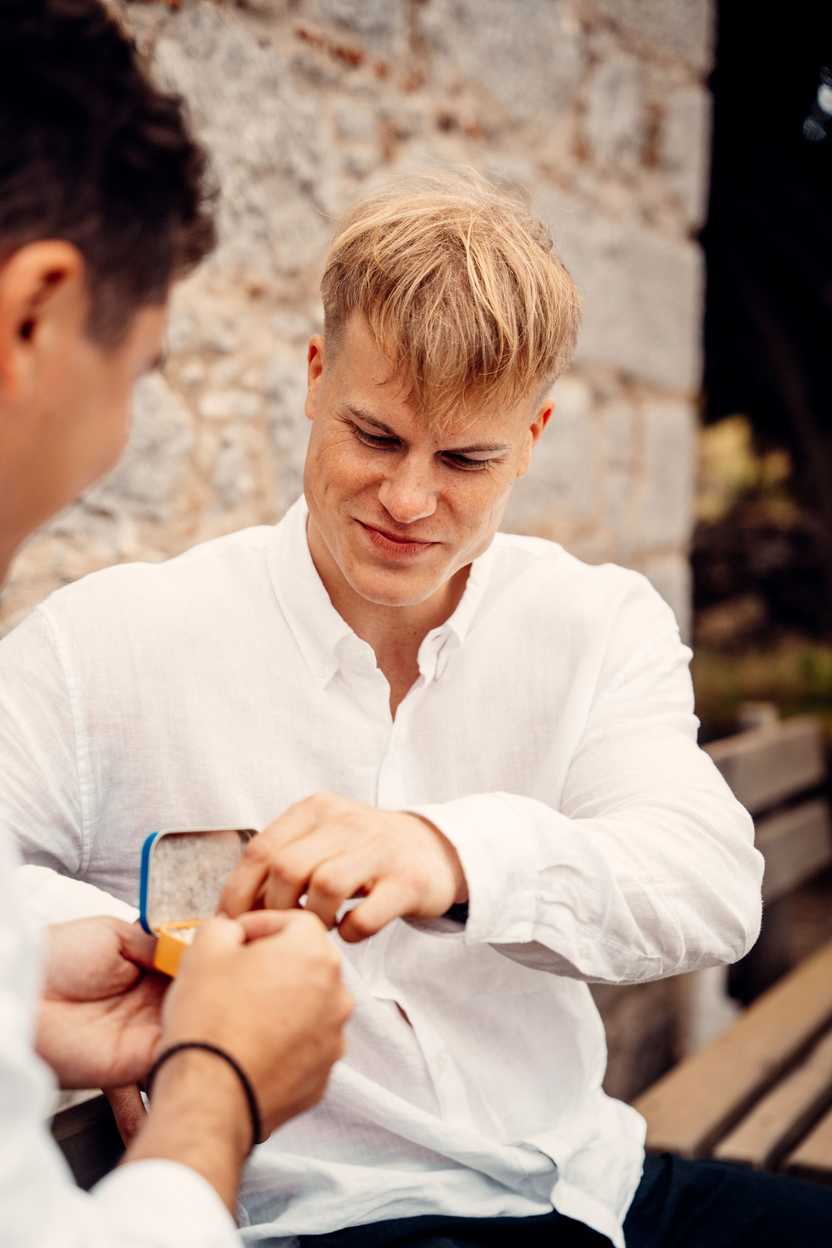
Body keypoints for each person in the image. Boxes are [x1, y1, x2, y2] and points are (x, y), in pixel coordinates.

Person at [1, 156, 830, 1248]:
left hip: (583, 1186)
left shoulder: (594, 623)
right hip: (311, 1223)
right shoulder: (108, 641)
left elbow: (708, 883)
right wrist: (113, 940)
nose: (407, 499)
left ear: (530, 441)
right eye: (375, 435)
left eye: (466, 459)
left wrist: (451, 856)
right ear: (312, 378)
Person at [0, 3, 351, 1245]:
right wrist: (223, 1092)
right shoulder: (101, 638)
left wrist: (25, 984)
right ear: (34, 317)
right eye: (143, 373)